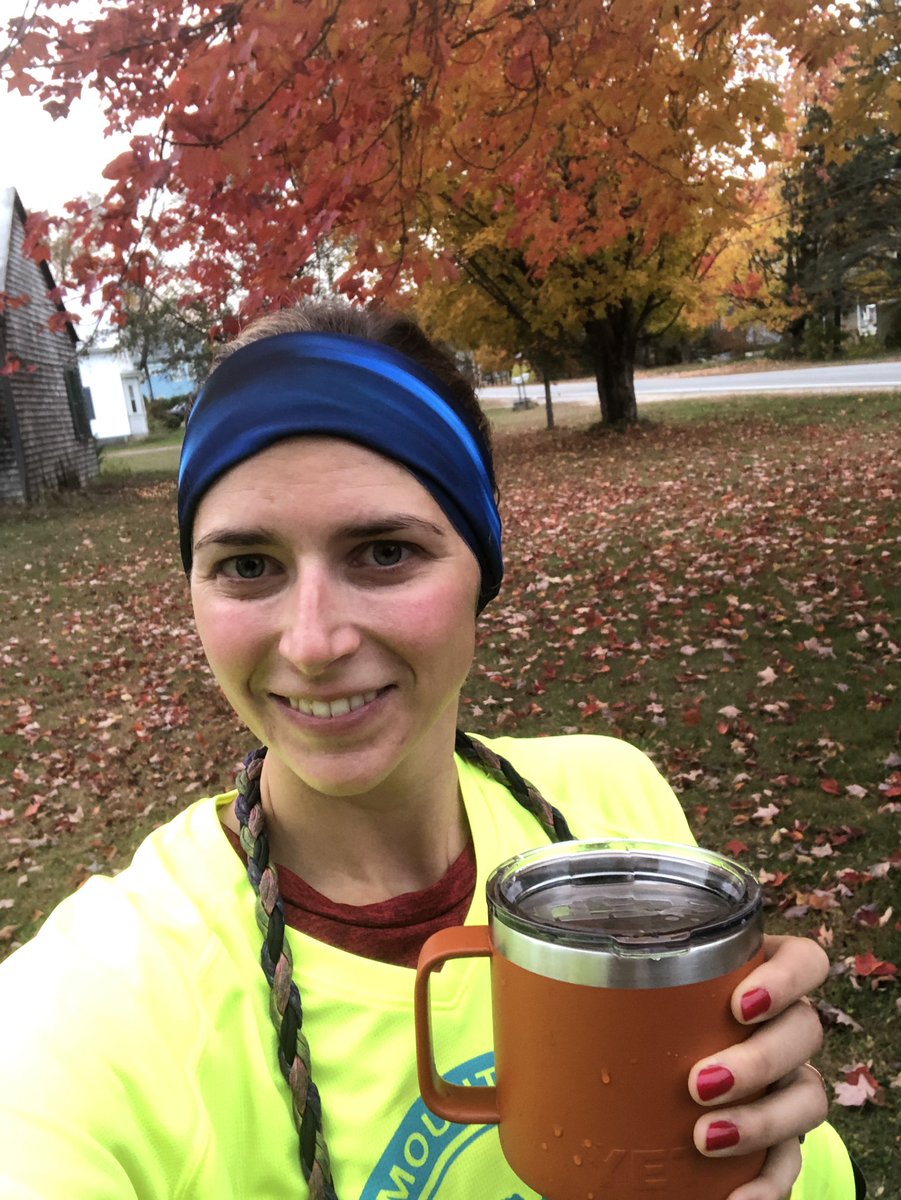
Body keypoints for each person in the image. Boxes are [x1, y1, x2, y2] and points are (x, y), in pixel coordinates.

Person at [0, 299, 862, 1200]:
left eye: (383, 552)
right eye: (248, 566)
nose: (313, 643)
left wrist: (766, 1126)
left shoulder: (612, 805)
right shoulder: (100, 1001)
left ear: (481, 569)